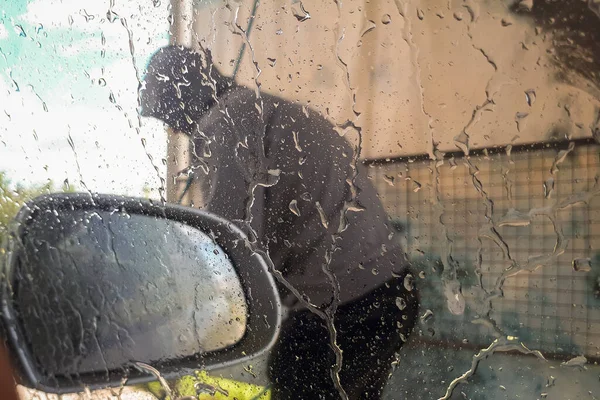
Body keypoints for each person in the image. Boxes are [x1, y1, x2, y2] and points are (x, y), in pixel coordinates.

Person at [140, 45, 419, 399]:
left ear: (180, 93)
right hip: (392, 292)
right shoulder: (267, 109)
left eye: (164, 111)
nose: (171, 127)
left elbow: (228, 243)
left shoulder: (222, 123)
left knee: (292, 373)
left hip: (344, 308)